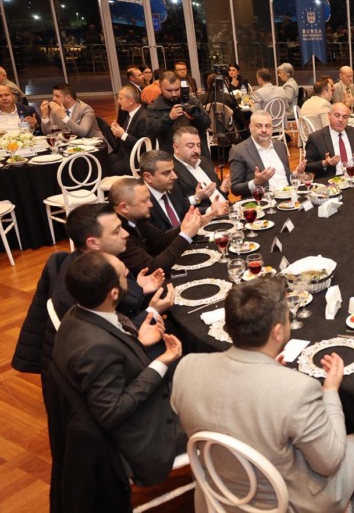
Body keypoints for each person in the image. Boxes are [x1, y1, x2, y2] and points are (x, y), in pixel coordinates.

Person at [171, 277, 354, 512]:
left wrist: (271, 373)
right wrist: (330, 392)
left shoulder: (187, 368)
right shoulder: (297, 390)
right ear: (277, 332)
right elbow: (331, 462)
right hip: (284, 504)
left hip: (218, 496)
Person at [13, 203, 174, 401]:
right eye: (116, 231)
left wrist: (138, 288)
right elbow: (111, 336)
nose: (125, 234)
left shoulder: (91, 265)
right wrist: (152, 310)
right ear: (93, 243)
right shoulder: (82, 289)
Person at [52, 251, 186, 487]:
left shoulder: (77, 314)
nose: (128, 273)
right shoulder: (95, 348)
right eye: (123, 274)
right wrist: (162, 361)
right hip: (149, 438)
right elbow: (111, 412)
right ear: (114, 293)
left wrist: (138, 342)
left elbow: (114, 361)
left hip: (142, 412)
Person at [109, 177, 212, 277]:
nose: (150, 204)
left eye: (149, 199)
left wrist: (185, 226)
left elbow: (160, 241)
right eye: (144, 201)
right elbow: (152, 269)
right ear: (124, 207)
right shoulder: (117, 234)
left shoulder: (137, 218)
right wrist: (185, 235)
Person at [229, 110, 297, 195]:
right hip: (264, 200)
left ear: (272, 128)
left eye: (267, 126)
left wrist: (296, 175)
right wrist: (256, 182)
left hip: (289, 196)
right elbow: (235, 189)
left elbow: (284, 175)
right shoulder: (239, 151)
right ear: (250, 127)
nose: (264, 130)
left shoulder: (280, 145)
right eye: (259, 126)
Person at [146, 71, 211, 153]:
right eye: (169, 90)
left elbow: (207, 123)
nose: (173, 94)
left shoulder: (192, 101)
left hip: (197, 150)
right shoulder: (155, 107)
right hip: (170, 152)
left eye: (177, 89)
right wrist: (169, 118)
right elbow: (151, 130)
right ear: (161, 88)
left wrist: (195, 118)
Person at [172, 126, 231, 213]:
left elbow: (217, 192)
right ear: (176, 148)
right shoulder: (171, 171)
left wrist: (223, 189)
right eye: (190, 146)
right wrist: (197, 198)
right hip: (206, 217)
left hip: (228, 209)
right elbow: (176, 207)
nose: (196, 150)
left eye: (198, 145)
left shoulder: (204, 161)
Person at [305, 102, 354, 177]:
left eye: (345, 117)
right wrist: (325, 163)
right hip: (330, 180)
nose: (340, 120)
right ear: (329, 115)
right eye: (337, 115)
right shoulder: (316, 138)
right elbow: (307, 166)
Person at [39, 83, 106, 144]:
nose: (53, 99)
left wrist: (64, 116)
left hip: (94, 146)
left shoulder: (85, 109)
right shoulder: (56, 110)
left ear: (68, 98)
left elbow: (83, 133)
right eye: (53, 96)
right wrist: (45, 115)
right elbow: (48, 133)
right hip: (68, 147)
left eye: (57, 96)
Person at [107, 84, 149, 175]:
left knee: (111, 169)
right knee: (103, 161)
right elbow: (129, 133)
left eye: (120, 98)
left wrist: (123, 135)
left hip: (136, 158)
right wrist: (118, 130)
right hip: (125, 153)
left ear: (131, 101)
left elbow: (143, 145)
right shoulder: (129, 114)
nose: (118, 101)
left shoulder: (143, 118)